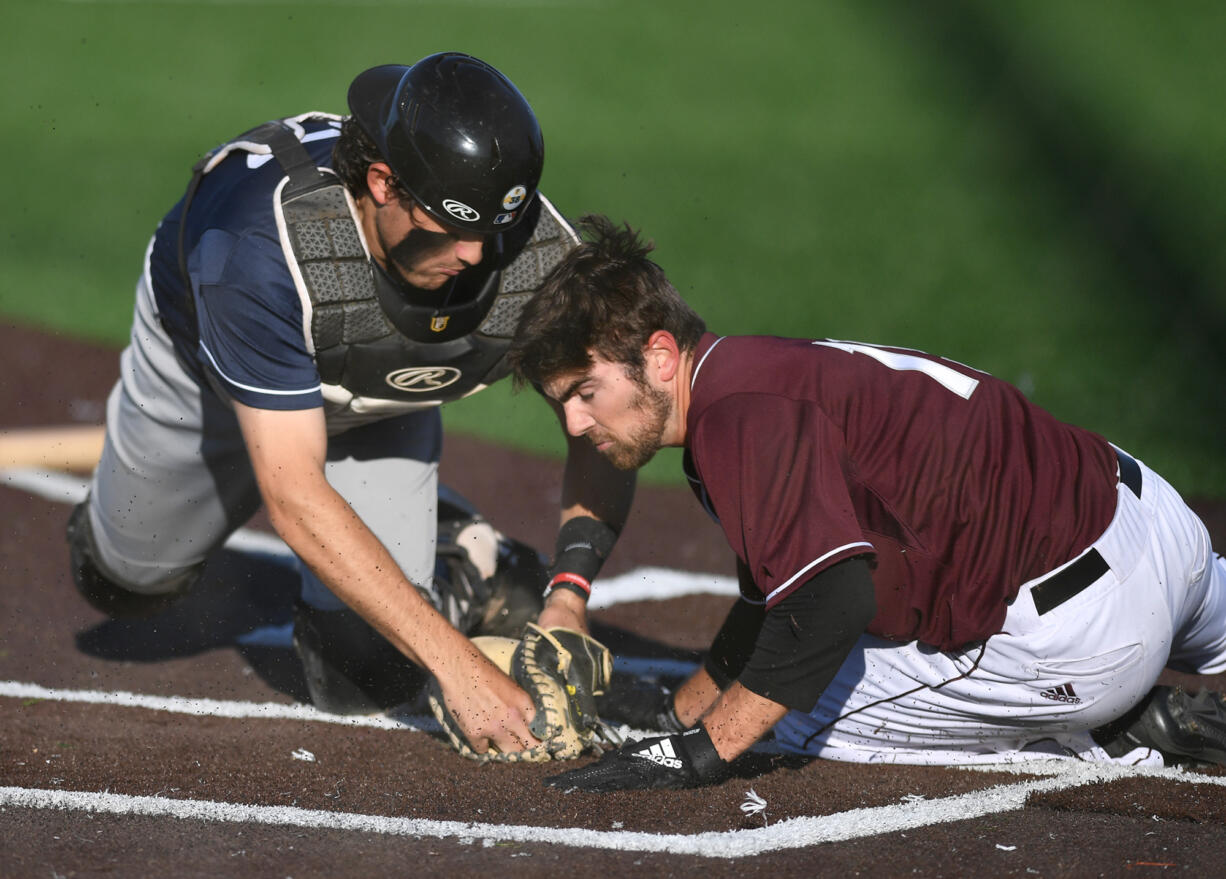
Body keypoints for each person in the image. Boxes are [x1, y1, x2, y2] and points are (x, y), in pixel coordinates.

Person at [506, 215, 1226, 791]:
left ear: (659, 355)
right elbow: (771, 594)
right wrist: (681, 706)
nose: (573, 423)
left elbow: (827, 605)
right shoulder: (754, 372)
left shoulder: (737, 420)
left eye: (584, 391)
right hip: (1162, 525)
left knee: (791, 715)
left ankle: (1122, 728)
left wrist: (698, 748)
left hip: (1092, 637)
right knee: (769, 664)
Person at [65, 54, 634, 759]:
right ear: (382, 184)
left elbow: (613, 418)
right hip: (211, 378)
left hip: (384, 398)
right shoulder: (258, 246)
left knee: (364, 670)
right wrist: (459, 668)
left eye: (493, 230)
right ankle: (434, 538)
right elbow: (294, 495)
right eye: (451, 227)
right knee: (122, 583)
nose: (476, 254)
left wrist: (570, 591)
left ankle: (470, 555)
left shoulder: (529, 253)